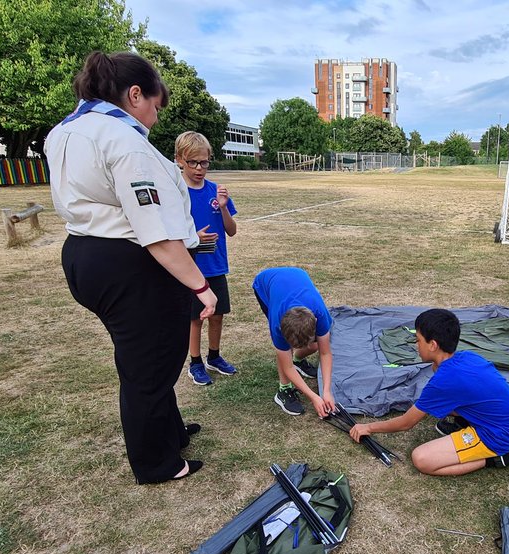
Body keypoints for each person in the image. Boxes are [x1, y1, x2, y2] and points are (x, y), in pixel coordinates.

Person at [45, 51, 218, 485]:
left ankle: (170, 433)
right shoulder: (121, 139)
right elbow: (155, 231)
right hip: (128, 263)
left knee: (146, 358)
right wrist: (200, 286)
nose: (156, 118)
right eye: (155, 107)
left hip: (86, 254)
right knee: (150, 367)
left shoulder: (64, 131)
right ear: (134, 93)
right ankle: (155, 463)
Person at [349, 309, 509, 476]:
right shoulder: (467, 356)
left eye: (418, 340)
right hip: (501, 419)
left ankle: (499, 458)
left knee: (422, 459)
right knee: (441, 401)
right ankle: (464, 424)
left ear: (432, 345)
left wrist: (368, 427)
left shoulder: (444, 381)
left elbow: (406, 423)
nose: (416, 345)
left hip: (497, 436)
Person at [173, 131, 239, 386]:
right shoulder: (176, 193)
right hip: (190, 269)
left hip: (216, 266)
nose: (200, 168)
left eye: (204, 162)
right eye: (193, 162)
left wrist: (223, 206)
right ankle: (196, 362)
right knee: (195, 319)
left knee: (218, 315)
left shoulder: (215, 191)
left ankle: (214, 356)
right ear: (180, 159)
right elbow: (171, 236)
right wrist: (194, 239)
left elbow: (231, 230)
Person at [251, 267, 335, 417]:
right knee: (284, 352)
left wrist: (326, 391)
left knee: (317, 345)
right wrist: (313, 397)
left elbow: (325, 352)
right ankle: (284, 389)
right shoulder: (277, 323)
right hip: (265, 283)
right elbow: (287, 367)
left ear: (315, 322)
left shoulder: (320, 314)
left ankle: (298, 361)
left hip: (296, 276)